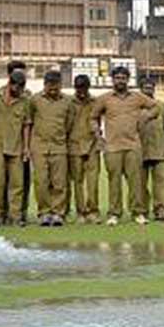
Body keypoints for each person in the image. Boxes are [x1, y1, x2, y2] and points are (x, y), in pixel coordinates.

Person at [93, 66, 157, 226]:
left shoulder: (137, 97)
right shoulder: (104, 98)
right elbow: (93, 117)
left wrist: (146, 117)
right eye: (117, 78)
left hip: (133, 146)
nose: (120, 81)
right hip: (112, 147)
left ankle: (138, 213)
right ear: (112, 79)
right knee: (114, 182)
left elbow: (155, 107)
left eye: (123, 78)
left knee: (135, 182)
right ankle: (114, 213)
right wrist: (98, 136)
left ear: (128, 80)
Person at [0, 70, 32, 227]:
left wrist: (26, 148)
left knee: (16, 184)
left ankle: (15, 216)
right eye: (17, 87)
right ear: (10, 84)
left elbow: (26, 125)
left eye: (22, 87)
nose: (19, 90)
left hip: (16, 147)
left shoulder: (25, 101)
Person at [28, 70, 75, 226]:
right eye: (50, 87)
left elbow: (69, 123)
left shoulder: (68, 101)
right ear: (45, 84)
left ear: (61, 84)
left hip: (59, 146)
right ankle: (44, 213)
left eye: (56, 87)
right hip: (39, 147)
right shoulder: (34, 100)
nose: (53, 90)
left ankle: (58, 214)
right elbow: (30, 122)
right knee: (41, 182)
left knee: (59, 183)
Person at [65, 74, 101, 223]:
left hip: (92, 145)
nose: (81, 91)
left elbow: (98, 121)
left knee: (93, 181)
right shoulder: (68, 102)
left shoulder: (96, 102)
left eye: (84, 88)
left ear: (88, 87)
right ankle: (80, 212)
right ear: (75, 87)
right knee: (77, 181)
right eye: (78, 88)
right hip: (74, 145)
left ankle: (93, 211)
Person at [139, 77, 164, 221]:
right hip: (140, 150)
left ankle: (160, 210)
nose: (148, 90)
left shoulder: (162, 106)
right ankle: (142, 210)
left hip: (158, 149)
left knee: (159, 182)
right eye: (145, 87)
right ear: (140, 89)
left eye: (150, 87)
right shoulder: (135, 107)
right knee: (140, 182)